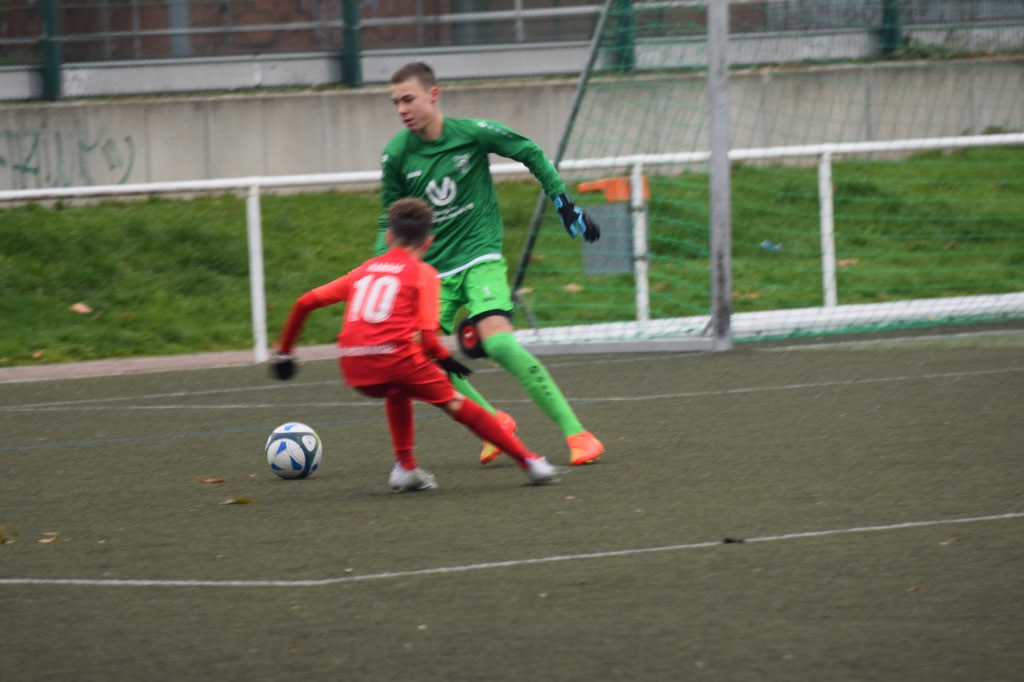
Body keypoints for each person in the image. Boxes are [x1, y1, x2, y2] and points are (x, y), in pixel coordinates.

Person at [379, 61, 605, 467]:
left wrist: (563, 204)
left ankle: (578, 433)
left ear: (434, 94)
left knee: (498, 342)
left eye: (408, 98)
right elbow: (389, 220)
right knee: (416, 357)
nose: (401, 109)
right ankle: (493, 422)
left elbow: (531, 152)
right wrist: (384, 271)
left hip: (480, 256)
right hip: (431, 273)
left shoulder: (472, 133)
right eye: (395, 102)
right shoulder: (396, 155)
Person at [269, 198, 557, 492]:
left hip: (353, 366)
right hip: (395, 359)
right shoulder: (424, 274)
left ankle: (406, 467)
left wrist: (284, 353)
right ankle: (530, 462)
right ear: (429, 242)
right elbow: (429, 339)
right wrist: (446, 360)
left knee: (397, 388)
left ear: (388, 236)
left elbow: (304, 302)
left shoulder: (363, 271)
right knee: (456, 403)